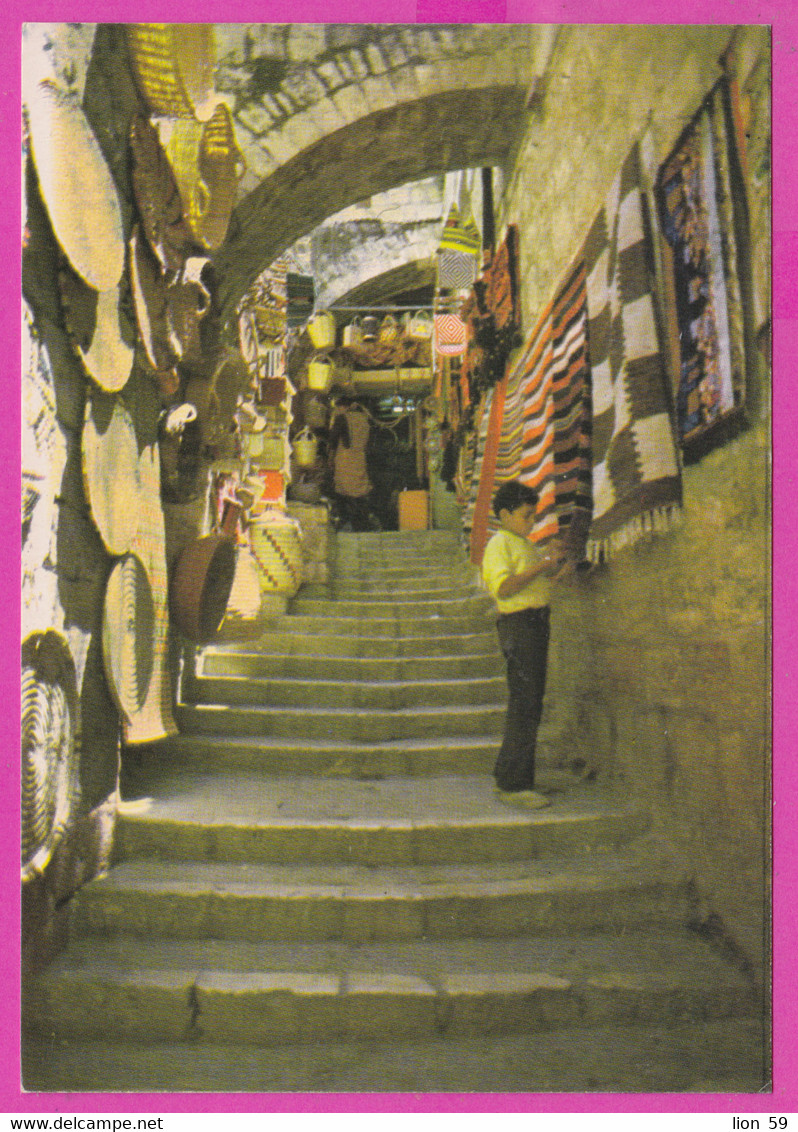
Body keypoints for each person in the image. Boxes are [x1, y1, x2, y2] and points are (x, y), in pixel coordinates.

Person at [481, 479, 568, 808]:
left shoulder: (522, 543)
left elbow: (535, 581)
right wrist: (543, 565)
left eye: (534, 516)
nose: (532, 522)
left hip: (534, 623)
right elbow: (504, 588)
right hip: (520, 625)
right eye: (526, 515)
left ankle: (512, 775)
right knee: (525, 701)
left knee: (530, 700)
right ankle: (513, 786)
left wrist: (553, 565)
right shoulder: (499, 544)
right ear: (504, 514)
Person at [328, 393, 373, 531]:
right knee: (360, 490)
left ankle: (346, 521)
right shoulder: (364, 419)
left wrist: (330, 453)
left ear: (342, 407)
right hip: (360, 458)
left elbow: (333, 439)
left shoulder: (342, 418)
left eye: (337, 408)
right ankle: (362, 523)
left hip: (345, 459)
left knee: (343, 490)